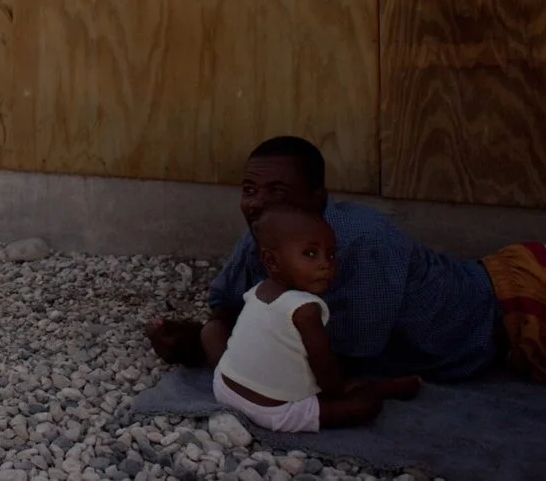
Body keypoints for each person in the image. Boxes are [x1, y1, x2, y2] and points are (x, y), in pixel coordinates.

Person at [148, 136, 546, 384]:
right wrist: (198, 335)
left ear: (318, 200)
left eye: (278, 191)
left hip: (510, 304)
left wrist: (216, 357)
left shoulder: (361, 242)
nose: (256, 203)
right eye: (249, 188)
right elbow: (226, 306)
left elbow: (334, 368)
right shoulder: (262, 233)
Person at [214, 204, 421, 432]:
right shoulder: (305, 309)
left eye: (331, 254)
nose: (325, 264)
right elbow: (326, 371)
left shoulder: (258, 291)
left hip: (225, 387)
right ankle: (381, 389)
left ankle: (376, 386)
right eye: (310, 253)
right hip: (272, 410)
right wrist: (341, 394)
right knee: (364, 406)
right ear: (272, 261)